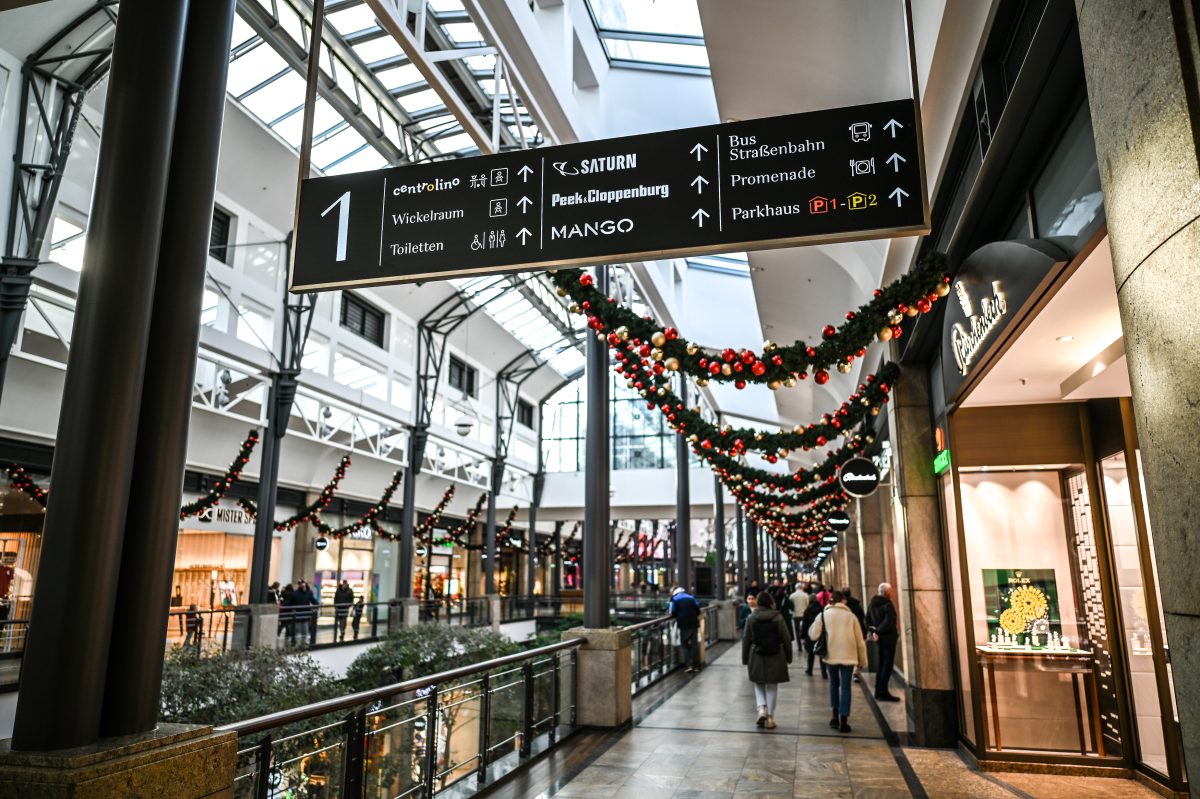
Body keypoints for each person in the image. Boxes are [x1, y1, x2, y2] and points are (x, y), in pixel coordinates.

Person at [809, 589, 868, 733]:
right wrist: (862, 660)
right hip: (849, 656)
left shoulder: (823, 615)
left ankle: (834, 717)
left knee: (833, 684)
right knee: (846, 687)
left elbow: (813, 635)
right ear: (843, 601)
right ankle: (844, 720)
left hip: (831, 656)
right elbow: (860, 641)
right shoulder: (851, 616)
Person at [741, 591, 792, 729]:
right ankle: (770, 718)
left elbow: (746, 639)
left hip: (756, 655)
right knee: (772, 685)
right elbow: (786, 639)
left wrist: (745, 658)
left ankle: (762, 708)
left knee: (758, 683)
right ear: (771, 602)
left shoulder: (751, 618)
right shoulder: (778, 618)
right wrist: (789, 657)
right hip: (776, 655)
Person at [867, 582, 901, 702]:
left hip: (880, 639)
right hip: (889, 639)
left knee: (881, 665)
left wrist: (874, 631)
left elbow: (866, 620)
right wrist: (877, 631)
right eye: (891, 591)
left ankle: (878, 691)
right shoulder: (887, 604)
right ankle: (883, 692)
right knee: (887, 666)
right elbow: (889, 621)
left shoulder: (872, 603)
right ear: (887, 592)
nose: (892, 593)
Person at [669, 585, 702, 673]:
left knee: (685, 644)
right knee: (695, 645)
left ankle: (689, 665)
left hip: (683, 625)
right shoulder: (691, 598)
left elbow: (672, 612)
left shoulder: (674, 599)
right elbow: (698, 610)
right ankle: (697, 666)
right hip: (694, 623)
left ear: (675, 593)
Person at [800, 592, 827, 678]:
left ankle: (809, 670)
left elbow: (804, 625)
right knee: (821, 652)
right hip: (820, 633)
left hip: (810, 633)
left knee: (810, 653)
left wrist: (803, 636)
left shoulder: (807, 610)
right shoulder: (822, 609)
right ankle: (824, 672)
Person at [789, 582, 811, 652]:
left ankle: (799, 646)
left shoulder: (792, 596)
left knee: (797, 631)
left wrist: (792, 613)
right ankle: (805, 644)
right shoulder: (805, 595)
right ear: (802, 588)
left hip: (796, 615)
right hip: (804, 615)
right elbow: (808, 605)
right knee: (805, 629)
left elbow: (790, 606)